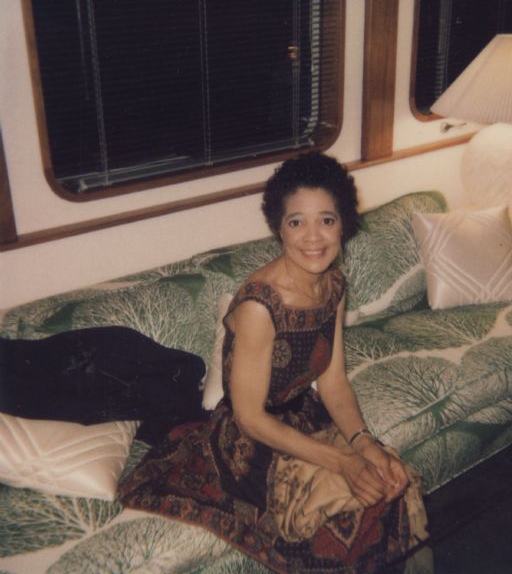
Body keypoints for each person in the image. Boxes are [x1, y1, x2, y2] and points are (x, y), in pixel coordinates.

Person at [118, 152, 427, 573]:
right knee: (342, 512)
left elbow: (333, 382)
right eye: (296, 221)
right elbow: (248, 417)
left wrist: (364, 444)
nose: (312, 237)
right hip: (249, 442)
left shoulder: (334, 284)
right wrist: (342, 461)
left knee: (391, 481)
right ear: (279, 229)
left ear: (344, 225)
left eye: (327, 220)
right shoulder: (261, 305)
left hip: (304, 415)